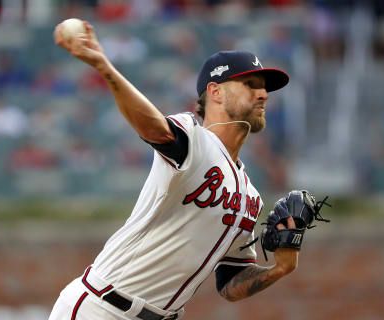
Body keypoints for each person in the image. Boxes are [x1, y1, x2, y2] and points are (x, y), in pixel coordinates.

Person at [50, 20, 296, 320]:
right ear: (215, 92)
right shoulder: (194, 137)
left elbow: (230, 283)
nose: (263, 94)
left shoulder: (251, 197)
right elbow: (154, 128)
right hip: (104, 308)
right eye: (251, 85)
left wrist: (280, 269)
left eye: (265, 88)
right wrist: (105, 68)